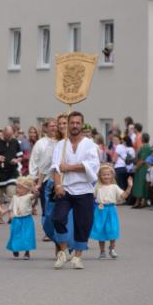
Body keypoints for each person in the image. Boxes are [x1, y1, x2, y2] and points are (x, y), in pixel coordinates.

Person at [50, 110, 101, 270]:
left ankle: (77, 257)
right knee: (57, 218)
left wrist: (70, 167)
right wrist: (58, 185)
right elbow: (56, 167)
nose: (74, 125)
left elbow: (91, 166)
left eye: (78, 123)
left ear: (82, 124)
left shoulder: (89, 145)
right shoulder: (61, 144)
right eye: (72, 123)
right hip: (65, 189)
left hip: (84, 190)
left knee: (83, 224)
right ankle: (63, 251)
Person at [90, 164, 132, 259]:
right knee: (101, 230)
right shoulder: (97, 186)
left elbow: (123, 196)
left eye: (108, 174)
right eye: (104, 175)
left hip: (111, 210)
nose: (106, 176)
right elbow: (91, 196)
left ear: (112, 175)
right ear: (100, 176)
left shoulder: (114, 187)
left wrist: (129, 187)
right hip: (100, 210)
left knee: (112, 229)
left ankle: (112, 248)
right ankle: (102, 251)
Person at [0, 126, 22, 219]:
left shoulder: (15, 142)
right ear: (3, 133)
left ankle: (10, 216)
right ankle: (0, 217)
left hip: (12, 173)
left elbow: (20, 156)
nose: (9, 138)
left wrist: (16, 160)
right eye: (7, 136)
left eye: (11, 136)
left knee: (12, 194)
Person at [5, 177, 36, 260]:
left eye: (21, 188)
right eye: (17, 187)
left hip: (27, 219)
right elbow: (10, 208)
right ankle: (15, 249)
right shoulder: (15, 197)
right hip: (17, 220)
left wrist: (35, 191)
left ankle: (27, 252)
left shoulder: (29, 196)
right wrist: (5, 214)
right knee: (15, 235)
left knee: (27, 236)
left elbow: (34, 197)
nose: (18, 190)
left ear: (27, 189)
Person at [130, 132, 153, 208]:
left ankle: (139, 202)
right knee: (144, 185)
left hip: (142, 168)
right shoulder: (148, 147)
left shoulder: (144, 148)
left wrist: (136, 167)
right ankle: (143, 201)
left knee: (139, 185)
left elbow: (142, 159)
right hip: (145, 167)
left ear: (143, 139)